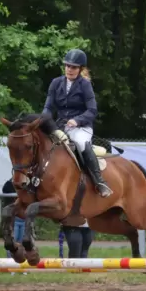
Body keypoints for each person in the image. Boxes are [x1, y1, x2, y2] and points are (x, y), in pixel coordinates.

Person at [41, 48, 112, 198]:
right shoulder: (56, 83)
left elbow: (92, 110)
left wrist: (77, 120)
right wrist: (44, 120)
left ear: (80, 69)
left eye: (73, 67)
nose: (69, 69)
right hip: (60, 126)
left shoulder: (84, 85)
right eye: (67, 66)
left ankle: (99, 182)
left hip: (81, 127)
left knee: (80, 143)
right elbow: (48, 107)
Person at [2, 178, 27, 275]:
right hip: (14, 219)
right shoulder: (9, 184)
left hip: (24, 219)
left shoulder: (27, 185)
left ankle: (22, 266)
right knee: (12, 242)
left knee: (23, 243)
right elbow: (5, 190)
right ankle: (11, 265)